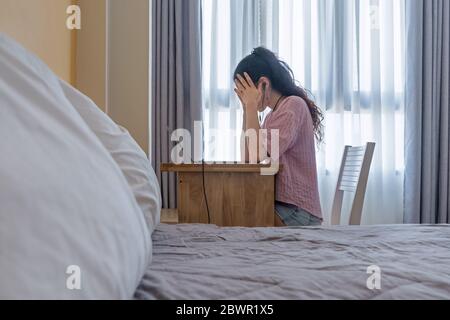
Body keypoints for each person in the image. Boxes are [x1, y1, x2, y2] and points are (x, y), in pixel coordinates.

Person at [233, 47, 324, 226]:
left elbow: (258, 155)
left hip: (297, 211)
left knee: (235, 214)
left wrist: (251, 106)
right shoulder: (272, 116)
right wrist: (246, 111)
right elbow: (249, 159)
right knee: (235, 210)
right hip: (287, 208)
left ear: (263, 84)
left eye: (245, 91)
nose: (243, 97)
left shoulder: (292, 106)